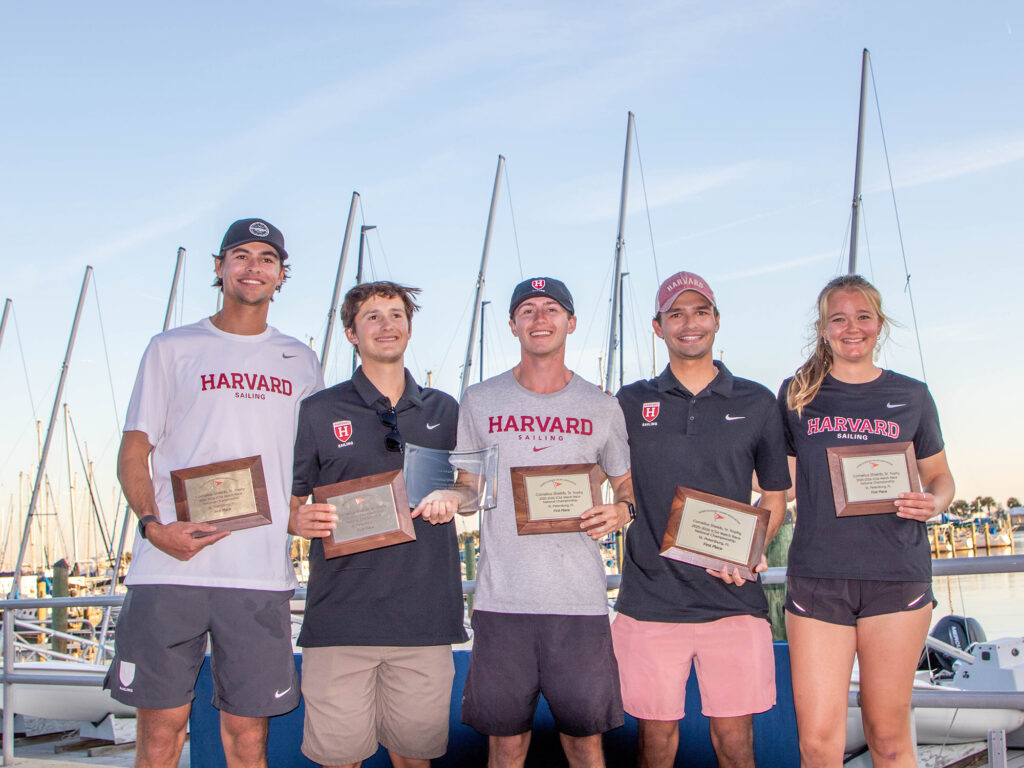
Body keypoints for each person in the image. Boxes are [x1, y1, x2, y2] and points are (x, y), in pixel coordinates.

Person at [105, 218, 323, 768]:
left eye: (267, 259)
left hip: (257, 574)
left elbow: (304, 465)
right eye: (241, 255)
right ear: (220, 267)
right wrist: (155, 528)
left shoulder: (301, 360)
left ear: (281, 275)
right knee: (160, 736)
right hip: (170, 567)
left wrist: (300, 515)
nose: (254, 267)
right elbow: (133, 453)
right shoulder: (171, 348)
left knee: (247, 740)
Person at [418, 277, 634, 768]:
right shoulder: (479, 400)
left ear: (571, 323)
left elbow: (626, 487)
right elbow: (470, 487)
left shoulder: (602, 406)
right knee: (506, 746)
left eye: (552, 308)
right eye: (528, 310)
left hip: (579, 604)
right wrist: (451, 497)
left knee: (585, 745)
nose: (540, 318)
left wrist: (623, 511)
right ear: (512, 324)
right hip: (502, 603)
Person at [613, 271, 790, 768]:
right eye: (676, 314)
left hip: (732, 600)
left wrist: (751, 554)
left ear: (716, 321)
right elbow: (608, 476)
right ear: (658, 326)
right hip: (650, 602)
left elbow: (775, 495)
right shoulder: (629, 402)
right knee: (655, 746)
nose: (689, 323)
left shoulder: (756, 401)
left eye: (700, 312)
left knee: (736, 747)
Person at [289, 281, 467, 768]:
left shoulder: (445, 409)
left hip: (425, 619)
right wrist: (298, 518)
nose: (386, 325)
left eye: (396, 314)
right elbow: (291, 501)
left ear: (409, 327)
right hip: (340, 621)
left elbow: (473, 489)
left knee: (415, 759)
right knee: (339, 759)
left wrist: (456, 494)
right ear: (351, 332)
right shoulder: (320, 410)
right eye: (372, 316)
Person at [779, 274, 954, 768]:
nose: (851, 327)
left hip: (896, 578)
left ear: (879, 324)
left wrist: (934, 503)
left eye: (862, 317)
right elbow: (781, 484)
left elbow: (940, 478)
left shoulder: (912, 395)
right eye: (839, 318)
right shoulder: (796, 395)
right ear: (823, 328)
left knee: (889, 736)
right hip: (817, 580)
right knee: (817, 743)